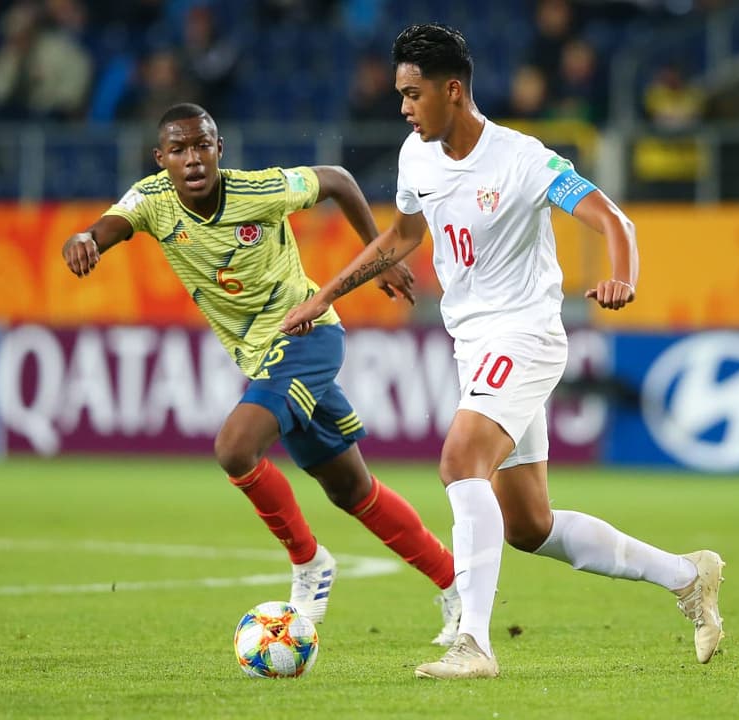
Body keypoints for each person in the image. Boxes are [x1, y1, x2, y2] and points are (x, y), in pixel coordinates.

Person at [280, 23, 725, 680]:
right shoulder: (417, 156)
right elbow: (404, 233)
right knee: (529, 525)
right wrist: (330, 293)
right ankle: (689, 577)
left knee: (461, 460)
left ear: (452, 91)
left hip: (526, 335)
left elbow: (612, 219)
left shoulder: (523, 159)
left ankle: (475, 643)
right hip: (475, 345)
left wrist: (622, 275)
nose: (402, 108)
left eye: (412, 94)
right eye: (400, 94)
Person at [60, 102, 463, 647]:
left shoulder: (262, 190)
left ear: (220, 149)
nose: (193, 158)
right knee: (351, 489)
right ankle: (456, 583)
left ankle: (310, 563)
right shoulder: (152, 201)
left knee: (234, 447)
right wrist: (83, 240)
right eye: (179, 150)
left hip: (308, 336)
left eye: (202, 145)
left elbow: (340, 181)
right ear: (162, 160)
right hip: (258, 355)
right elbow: (104, 229)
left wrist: (380, 256)